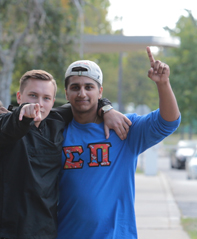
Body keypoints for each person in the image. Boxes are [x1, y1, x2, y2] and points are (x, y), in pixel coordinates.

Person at [0, 70, 131, 239]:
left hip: (44, 232)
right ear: (19, 97)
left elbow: (82, 103)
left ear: (53, 101)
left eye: (46, 98)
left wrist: (106, 108)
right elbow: (3, 127)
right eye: (32, 96)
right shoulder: (2, 122)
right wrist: (24, 112)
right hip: (1, 232)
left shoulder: (55, 121)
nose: (39, 104)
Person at [57, 48, 180, 238]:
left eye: (89, 87)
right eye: (75, 87)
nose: (82, 93)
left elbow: (168, 122)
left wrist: (163, 84)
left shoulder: (123, 128)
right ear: (66, 93)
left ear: (100, 92)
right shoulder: (56, 133)